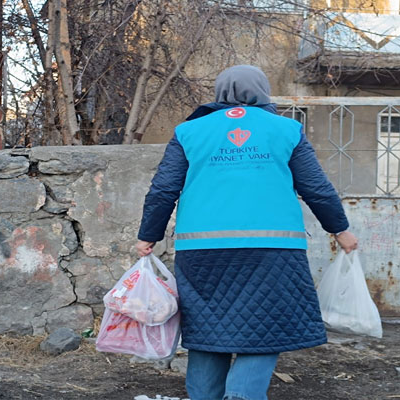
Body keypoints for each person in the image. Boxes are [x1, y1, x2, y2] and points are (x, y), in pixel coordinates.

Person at [135, 65, 358, 400]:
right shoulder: (286, 129)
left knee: (206, 331)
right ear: (263, 91)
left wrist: (148, 235)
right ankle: (242, 394)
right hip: (274, 251)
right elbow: (317, 189)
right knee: (266, 328)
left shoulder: (189, 132)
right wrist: (340, 229)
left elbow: (163, 190)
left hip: (201, 253)